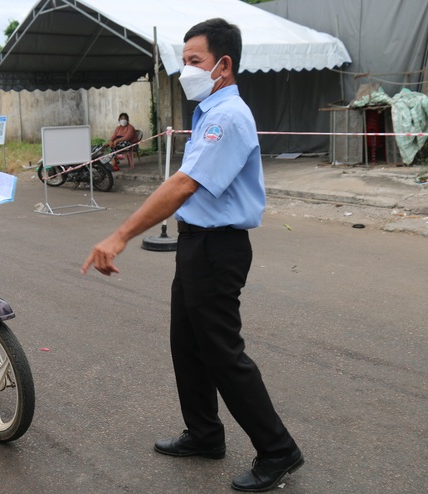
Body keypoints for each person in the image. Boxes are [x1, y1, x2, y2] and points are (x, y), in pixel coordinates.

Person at [82, 18, 303, 492]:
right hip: (196, 243)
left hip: (218, 247)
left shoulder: (226, 116)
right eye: (184, 62)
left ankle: (278, 449)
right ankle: (205, 434)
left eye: (195, 62)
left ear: (223, 65)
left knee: (222, 352)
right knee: (187, 344)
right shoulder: (209, 110)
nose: (187, 71)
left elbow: (183, 185)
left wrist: (119, 235)